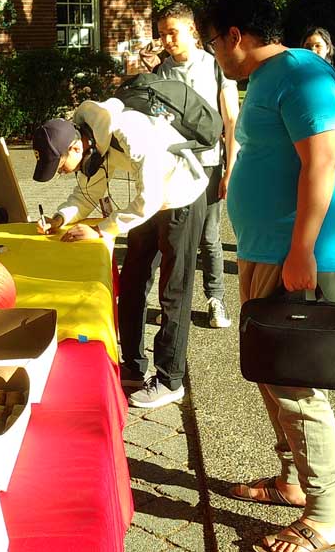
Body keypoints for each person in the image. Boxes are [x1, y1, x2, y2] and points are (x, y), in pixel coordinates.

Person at [197, 0, 335, 552]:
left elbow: (323, 160)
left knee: (295, 384)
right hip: (266, 249)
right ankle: (293, 482)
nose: (212, 52)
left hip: (298, 253)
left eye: (210, 40)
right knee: (270, 370)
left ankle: (326, 514)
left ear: (234, 35)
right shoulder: (266, 80)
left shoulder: (301, 72)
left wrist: (302, 250)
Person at [32, 97, 207, 409]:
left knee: (173, 292)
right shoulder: (89, 140)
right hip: (148, 206)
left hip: (182, 197)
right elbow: (87, 192)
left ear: (74, 148)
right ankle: (134, 365)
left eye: (59, 166)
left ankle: (171, 380)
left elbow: (150, 197)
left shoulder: (129, 133)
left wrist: (101, 230)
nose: (59, 173)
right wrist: (61, 217)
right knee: (132, 284)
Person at [156, 2, 240, 328]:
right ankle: (178, 304)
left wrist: (231, 168)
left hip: (209, 165)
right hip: (176, 167)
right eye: (162, 34)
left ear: (191, 30)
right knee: (176, 241)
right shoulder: (162, 71)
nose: (166, 40)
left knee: (209, 235)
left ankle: (216, 298)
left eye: (172, 32)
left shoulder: (215, 65)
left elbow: (231, 119)